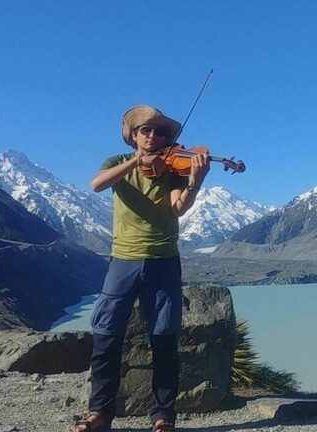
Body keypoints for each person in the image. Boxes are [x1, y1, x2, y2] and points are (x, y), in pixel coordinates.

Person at [72, 105, 210, 432]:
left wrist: (194, 181)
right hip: (123, 260)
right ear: (133, 136)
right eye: (146, 130)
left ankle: (163, 417)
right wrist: (136, 161)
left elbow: (177, 208)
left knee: (164, 338)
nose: (153, 136)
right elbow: (96, 185)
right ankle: (99, 415)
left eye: (160, 132)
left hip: (163, 261)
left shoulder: (174, 168)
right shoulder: (116, 163)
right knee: (106, 336)